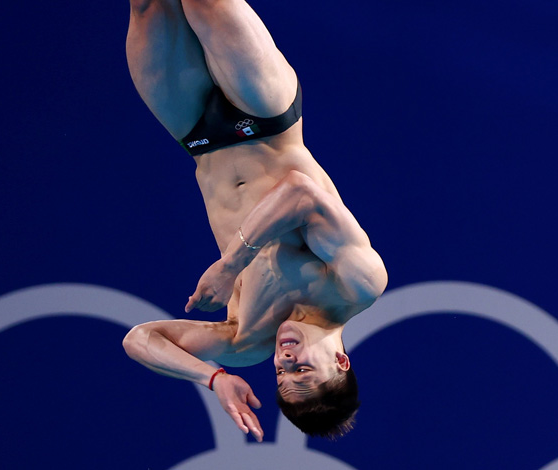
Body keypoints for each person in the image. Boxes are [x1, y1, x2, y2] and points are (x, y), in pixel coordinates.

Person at [122, 0, 388, 441]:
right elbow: (302, 192)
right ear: (340, 362)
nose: (286, 360)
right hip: (265, 117)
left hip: (196, 135)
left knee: (148, 6)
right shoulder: (357, 285)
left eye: (283, 374)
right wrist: (230, 265)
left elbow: (139, 339)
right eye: (303, 368)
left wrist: (213, 378)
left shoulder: (247, 341)